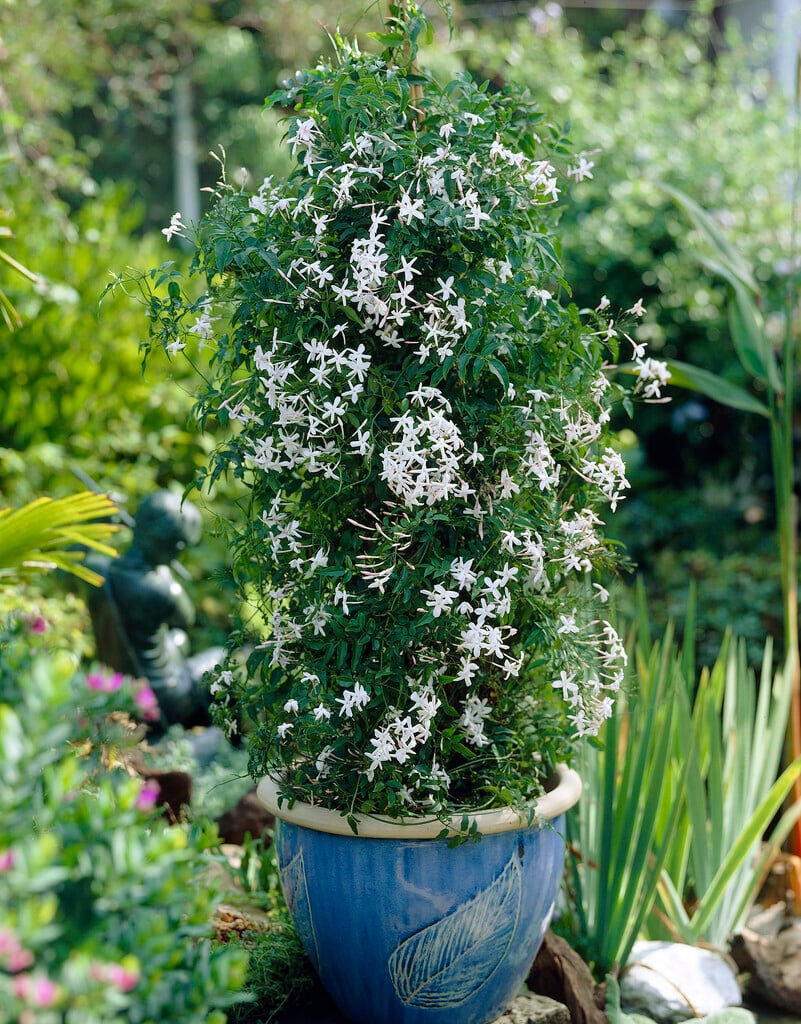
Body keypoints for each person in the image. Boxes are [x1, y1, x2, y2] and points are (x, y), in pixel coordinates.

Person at [87, 490, 223, 734]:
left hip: (119, 688)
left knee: (176, 640)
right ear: (173, 547)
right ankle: (226, 740)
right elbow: (186, 619)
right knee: (221, 659)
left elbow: (76, 553)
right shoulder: (164, 590)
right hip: (163, 699)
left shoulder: (97, 572)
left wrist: (96, 521)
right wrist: (164, 572)